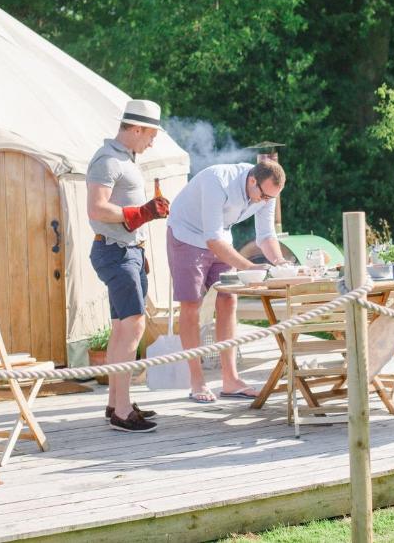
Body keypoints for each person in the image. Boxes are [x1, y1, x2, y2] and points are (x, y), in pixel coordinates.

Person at [166, 159, 289, 403]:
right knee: (192, 305)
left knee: (229, 299)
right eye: (263, 196)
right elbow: (212, 239)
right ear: (252, 180)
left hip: (220, 237)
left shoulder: (267, 191)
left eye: (270, 198)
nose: (265, 201)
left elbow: (265, 235)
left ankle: (230, 380)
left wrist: (279, 263)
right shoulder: (217, 181)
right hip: (188, 235)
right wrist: (250, 267)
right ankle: (197, 381)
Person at [87, 99, 170, 432]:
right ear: (136, 129)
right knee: (133, 327)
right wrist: (139, 214)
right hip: (115, 251)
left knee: (123, 328)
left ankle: (115, 404)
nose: (152, 142)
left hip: (128, 251)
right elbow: (96, 209)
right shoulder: (107, 161)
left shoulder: (125, 160)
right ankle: (122, 411)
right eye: (150, 134)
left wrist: (146, 212)